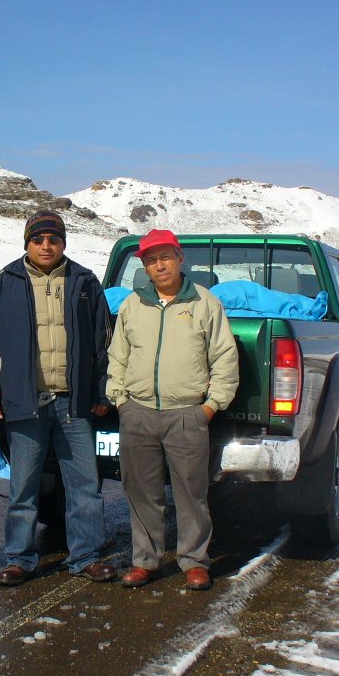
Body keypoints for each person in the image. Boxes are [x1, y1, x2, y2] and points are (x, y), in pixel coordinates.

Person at [0, 211, 116, 586]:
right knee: (24, 486)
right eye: (39, 240)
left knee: (85, 484)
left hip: (74, 402)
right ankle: (19, 558)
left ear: (63, 243)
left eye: (53, 239)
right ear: (27, 244)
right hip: (25, 401)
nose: (46, 246)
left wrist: (102, 391)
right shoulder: (4, 283)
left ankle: (86, 555)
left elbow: (105, 344)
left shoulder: (84, 282)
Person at [106, 229, 239, 590]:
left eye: (165, 256)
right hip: (138, 413)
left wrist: (210, 408)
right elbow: (118, 356)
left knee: (191, 493)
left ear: (180, 258)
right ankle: (145, 561)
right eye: (150, 260)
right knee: (140, 491)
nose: (159, 265)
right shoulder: (133, 305)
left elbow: (224, 358)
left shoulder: (205, 303)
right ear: (145, 268)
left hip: (187, 414)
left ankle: (194, 561)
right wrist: (120, 400)